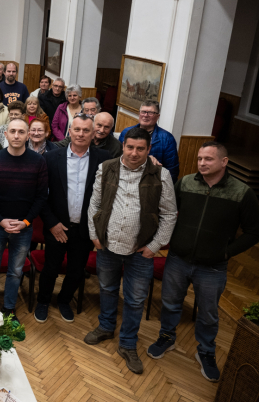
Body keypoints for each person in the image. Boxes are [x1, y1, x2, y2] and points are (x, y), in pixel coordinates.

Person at [147, 142, 259, 382]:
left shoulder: (242, 192)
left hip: (213, 266)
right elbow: (167, 213)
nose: (202, 163)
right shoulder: (186, 183)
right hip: (178, 258)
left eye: (208, 159)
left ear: (224, 162)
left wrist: (227, 253)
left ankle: (206, 351)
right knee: (170, 304)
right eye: (199, 158)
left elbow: (254, 231)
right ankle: (166, 337)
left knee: (208, 313)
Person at [84, 127, 177, 375]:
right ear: (123, 145)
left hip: (140, 251)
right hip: (108, 246)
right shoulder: (106, 168)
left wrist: (154, 246)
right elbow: (94, 203)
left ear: (148, 150)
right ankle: (106, 327)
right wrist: (94, 235)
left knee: (135, 300)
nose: (134, 153)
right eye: (130, 147)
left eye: (140, 149)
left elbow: (169, 214)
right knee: (107, 289)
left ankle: (127, 343)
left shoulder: (161, 174)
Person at [35, 114, 110, 324]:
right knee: (51, 268)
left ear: (93, 134)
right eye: (77, 129)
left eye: (86, 130)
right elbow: (41, 196)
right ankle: (43, 301)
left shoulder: (104, 158)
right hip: (57, 226)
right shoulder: (51, 158)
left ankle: (64, 300)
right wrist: (52, 223)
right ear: (69, 131)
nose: (81, 134)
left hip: (85, 228)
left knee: (76, 270)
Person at [0, 118, 48, 318]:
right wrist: (0, 220)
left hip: (24, 227)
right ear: (6, 134)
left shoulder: (38, 161)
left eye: (21, 132)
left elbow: (41, 197)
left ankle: (9, 307)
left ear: (28, 135)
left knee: (16, 271)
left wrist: (26, 222)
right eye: (13, 131)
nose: (16, 135)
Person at [119, 101, 180, 182]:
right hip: (126, 178)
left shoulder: (167, 138)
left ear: (157, 116)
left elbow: (172, 170)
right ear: (139, 113)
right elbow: (118, 158)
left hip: (152, 182)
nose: (145, 115)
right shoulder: (126, 132)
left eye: (151, 113)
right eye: (143, 112)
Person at [57, 112, 122, 158]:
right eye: (99, 125)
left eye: (106, 127)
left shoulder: (116, 146)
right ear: (92, 124)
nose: (102, 130)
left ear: (111, 128)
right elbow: (56, 146)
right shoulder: (80, 137)